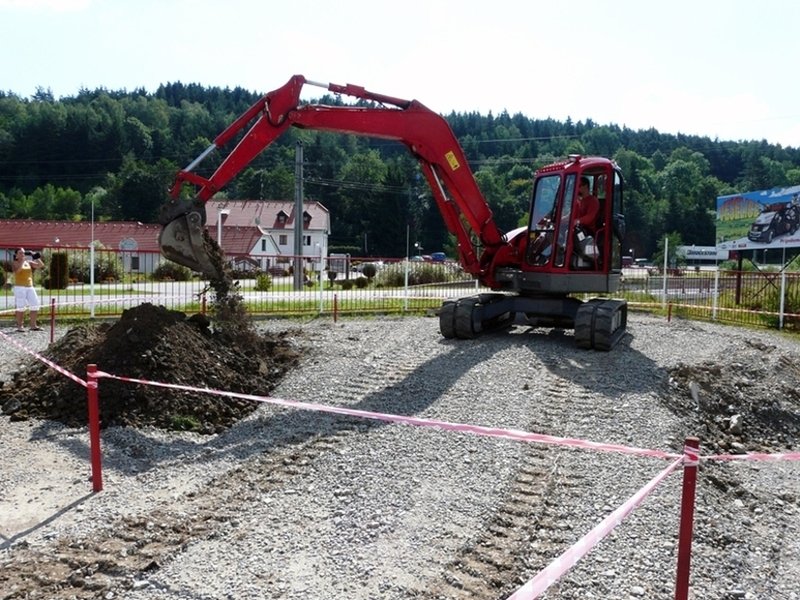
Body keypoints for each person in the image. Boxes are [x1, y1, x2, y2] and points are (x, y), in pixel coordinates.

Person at [12, 247, 44, 332]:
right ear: (16, 255)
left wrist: (36, 257)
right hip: (20, 287)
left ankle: (33, 325)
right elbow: (17, 271)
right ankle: (20, 326)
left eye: (23, 253)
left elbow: (40, 265)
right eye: (20, 253)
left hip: (30, 286)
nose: (22, 254)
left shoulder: (28, 262)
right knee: (20, 307)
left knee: (35, 304)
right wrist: (22, 261)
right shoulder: (15, 263)